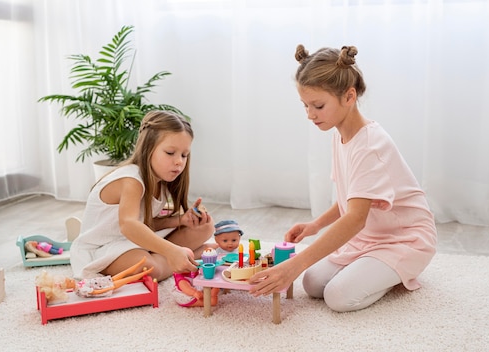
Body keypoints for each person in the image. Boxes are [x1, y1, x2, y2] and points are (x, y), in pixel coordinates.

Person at [248, 44, 437, 312]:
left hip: (404, 238)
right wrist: (315, 225)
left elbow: (355, 218)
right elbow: (350, 200)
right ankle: (371, 270)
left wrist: (294, 264)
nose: (310, 114)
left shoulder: (370, 145)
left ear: (349, 97)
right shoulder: (340, 134)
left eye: (318, 105)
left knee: (338, 297)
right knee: (312, 283)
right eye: (305, 106)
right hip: (370, 235)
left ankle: (394, 274)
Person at [70, 110, 215, 282]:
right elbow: (129, 226)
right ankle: (188, 256)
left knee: (206, 226)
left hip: (134, 241)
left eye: (184, 155)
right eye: (170, 153)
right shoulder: (131, 180)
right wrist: (171, 251)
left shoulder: (161, 181)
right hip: (102, 248)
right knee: (148, 268)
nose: (179, 161)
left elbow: (144, 224)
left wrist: (180, 220)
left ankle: (177, 257)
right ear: (148, 148)